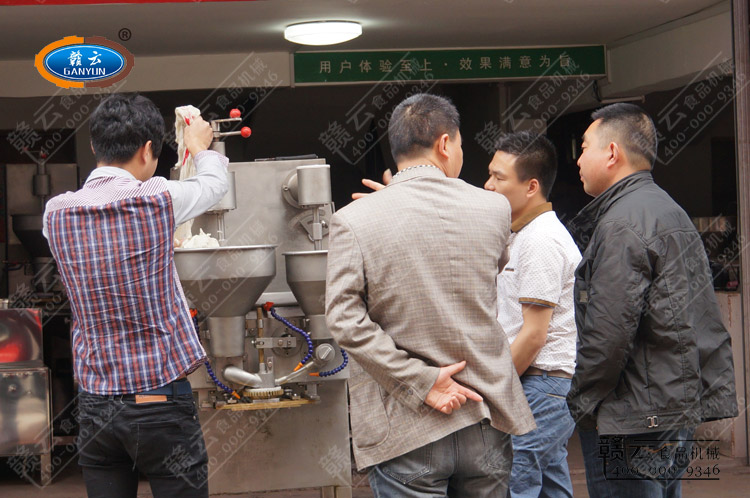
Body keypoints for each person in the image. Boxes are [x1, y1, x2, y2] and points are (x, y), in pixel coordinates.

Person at [326, 93, 535, 496]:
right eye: (460, 144)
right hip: (485, 415)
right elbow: (480, 274)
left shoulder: (352, 220)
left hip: (406, 426)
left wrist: (422, 381)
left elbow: (344, 321)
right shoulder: (494, 208)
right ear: (444, 144)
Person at [43, 93, 229, 498]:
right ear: (148, 149)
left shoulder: (55, 212)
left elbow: (103, 251)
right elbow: (215, 185)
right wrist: (200, 147)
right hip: (160, 400)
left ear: (94, 145)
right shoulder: (157, 198)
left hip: (96, 404)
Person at [567, 103, 738, 497]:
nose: (578, 160)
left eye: (584, 147)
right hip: (669, 408)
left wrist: (581, 400)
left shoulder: (622, 223)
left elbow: (609, 333)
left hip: (632, 416)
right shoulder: (668, 209)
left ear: (612, 152)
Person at [484, 131, 579, 498]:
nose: (489, 185)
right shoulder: (522, 234)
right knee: (550, 487)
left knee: (514, 483)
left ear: (531, 187)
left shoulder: (540, 239)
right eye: (490, 174)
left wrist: (495, 387)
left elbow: (534, 334)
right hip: (539, 384)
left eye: (499, 177)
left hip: (540, 384)